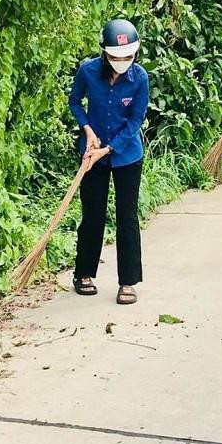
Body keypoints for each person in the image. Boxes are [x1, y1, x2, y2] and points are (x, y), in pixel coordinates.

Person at [68, 19, 149, 305]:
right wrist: (87, 130)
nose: (122, 62)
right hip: (92, 155)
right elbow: (75, 102)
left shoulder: (139, 78)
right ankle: (83, 274)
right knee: (93, 214)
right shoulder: (88, 71)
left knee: (127, 216)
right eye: (116, 57)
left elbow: (135, 121)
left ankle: (128, 282)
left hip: (127, 155)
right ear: (104, 52)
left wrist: (109, 148)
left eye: (128, 57)